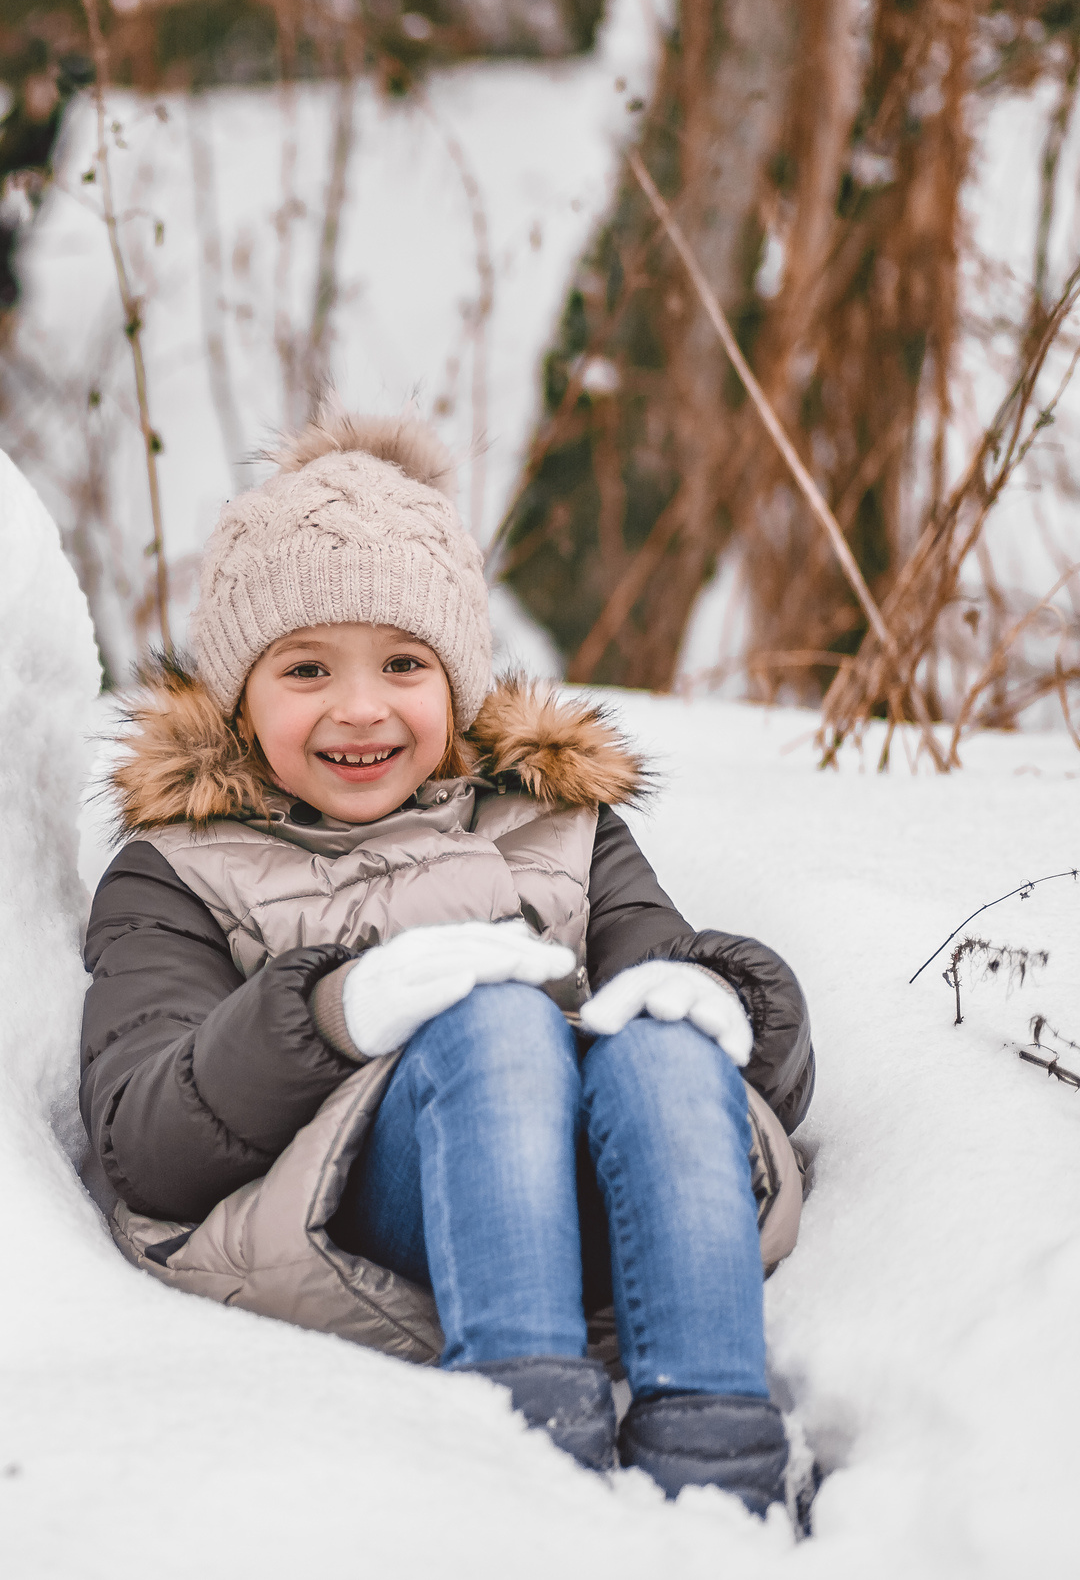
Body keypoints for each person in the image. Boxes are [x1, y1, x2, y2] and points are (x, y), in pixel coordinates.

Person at [78, 411, 815, 1519]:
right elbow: (141, 1139)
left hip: (615, 1192)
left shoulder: (562, 825)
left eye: (404, 662)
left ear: (458, 681)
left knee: (663, 1039)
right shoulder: (177, 870)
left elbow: (728, 1046)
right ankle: (526, 1453)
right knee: (496, 1023)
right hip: (375, 1209)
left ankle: (720, 1468)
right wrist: (327, 1016)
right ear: (238, 695)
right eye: (307, 667)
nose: (360, 707)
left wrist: (726, 1001)